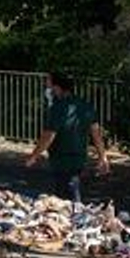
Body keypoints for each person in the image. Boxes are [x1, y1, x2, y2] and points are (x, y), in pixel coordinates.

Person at [24, 71, 110, 205]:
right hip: (79, 157)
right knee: (68, 190)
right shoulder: (84, 105)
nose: (47, 87)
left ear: (57, 87)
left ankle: (75, 218)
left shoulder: (58, 108)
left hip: (62, 158)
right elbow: (96, 133)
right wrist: (102, 156)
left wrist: (34, 156)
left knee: (68, 196)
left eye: (49, 83)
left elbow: (48, 136)